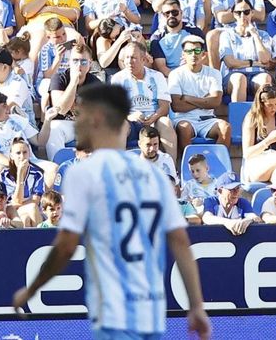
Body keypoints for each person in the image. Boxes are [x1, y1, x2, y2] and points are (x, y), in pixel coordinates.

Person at [11, 82, 212, 340]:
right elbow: (181, 243)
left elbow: (65, 247)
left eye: (80, 116)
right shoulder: (154, 175)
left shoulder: (84, 173)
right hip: (150, 307)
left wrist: (30, 290)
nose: (76, 123)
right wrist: (196, 305)